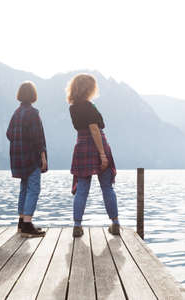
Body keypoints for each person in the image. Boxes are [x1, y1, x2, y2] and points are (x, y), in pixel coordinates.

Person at [66, 73, 120, 237]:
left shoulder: (73, 107)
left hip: (82, 146)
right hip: (97, 145)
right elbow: (94, 129)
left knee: (82, 189)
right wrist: (102, 154)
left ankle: (77, 225)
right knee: (106, 186)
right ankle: (115, 223)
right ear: (88, 88)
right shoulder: (88, 106)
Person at [6, 81, 47, 238]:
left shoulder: (16, 113)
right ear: (33, 95)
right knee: (34, 188)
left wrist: (19, 142)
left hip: (17, 158)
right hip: (31, 157)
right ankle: (28, 224)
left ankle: (22, 222)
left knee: (24, 187)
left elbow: (9, 134)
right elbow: (38, 139)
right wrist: (43, 157)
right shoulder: (32, 113)